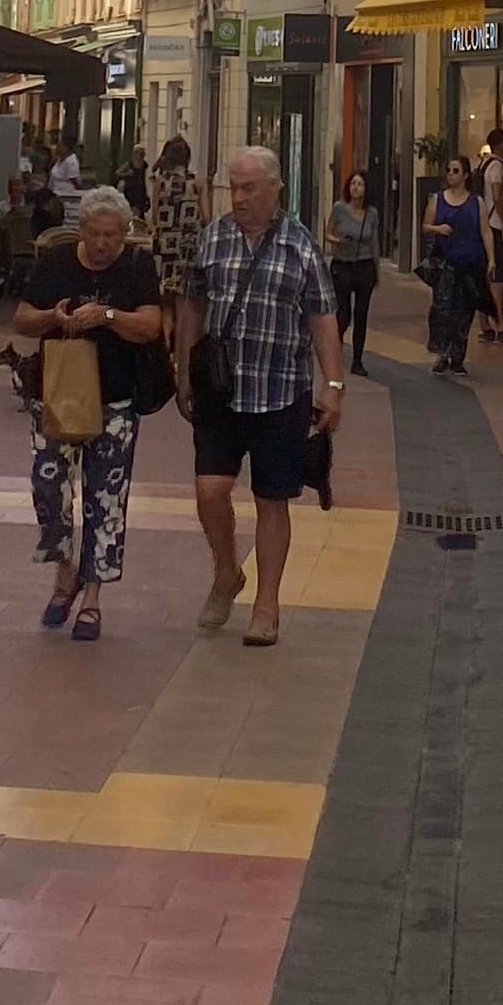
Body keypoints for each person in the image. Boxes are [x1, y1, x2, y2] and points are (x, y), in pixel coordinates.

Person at [174, 148, 343, 648]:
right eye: (233, 188)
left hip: (280, 390)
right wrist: (184, 370)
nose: (239, 198)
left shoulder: (301, 244)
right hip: (222, 391)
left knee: (273, 500)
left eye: (249, 189)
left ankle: (267, 604)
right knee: (210, 490)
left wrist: (332, 386)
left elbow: (322, 316)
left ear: (275, 189)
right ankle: (227, 571)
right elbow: (192, 301)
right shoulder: (214, 238)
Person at [11, 185, 164, 644]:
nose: (101, 245)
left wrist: (110, 316)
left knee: (106, 499)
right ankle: (65, 570)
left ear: (124, 236)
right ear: (82, 230)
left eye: (111, 237)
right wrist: (53, 318)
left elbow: (153, 326)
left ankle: (92, 598)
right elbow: (21, 319)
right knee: (48, 486)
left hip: (115, 400)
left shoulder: (137, 267)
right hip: (57, 395)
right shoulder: (56, 262)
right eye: (95, 234)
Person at [421, 156, 492, 374]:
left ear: (465, 176)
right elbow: (425, 225)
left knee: (465, 310)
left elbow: (485, 231)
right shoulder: (438, 199)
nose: (450, 174)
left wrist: (492, 259)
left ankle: (458, 355)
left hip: (470, 263)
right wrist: (438, 228)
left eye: (455, 170)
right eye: (449, 170)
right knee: (443, 309)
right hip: (446, 264)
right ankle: (443, 352)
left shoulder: (476, 202)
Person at [325, 165, 381, 376]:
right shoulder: (339, 208)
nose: (356, 188)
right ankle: (335, 350)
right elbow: (328, 233)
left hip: (364, 266)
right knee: (343, 314)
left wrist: (377, 269)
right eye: (353, 184)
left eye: (360, 184)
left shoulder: (372, 213)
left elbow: (374, 242)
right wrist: (338, 240)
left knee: (362, 313)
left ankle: (357, 360)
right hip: (342, 265)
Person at [477, 129, 503, 346]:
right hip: (495, 226)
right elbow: (497, 196)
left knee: (486, 276)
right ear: (501, 145)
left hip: (485, 225)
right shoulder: (496, 167)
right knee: (498, 278)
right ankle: (500, 326)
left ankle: (485, 324)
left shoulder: (483, 164)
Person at [148, 132, 199, 256]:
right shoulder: (197, 183)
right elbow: (206, 219)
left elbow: (155, 217)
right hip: (188, 242)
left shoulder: (160, 183)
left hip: (164, 241)